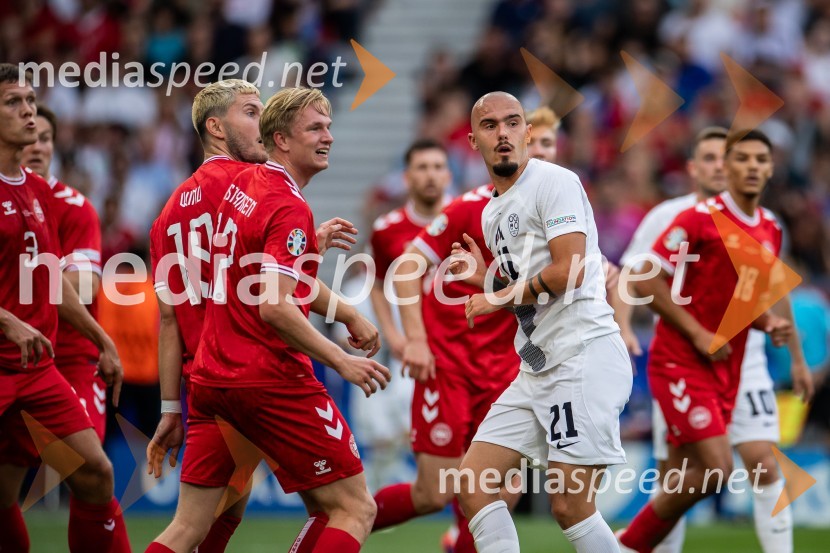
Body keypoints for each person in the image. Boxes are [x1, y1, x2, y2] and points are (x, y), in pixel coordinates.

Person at [145, 87, 391, 553]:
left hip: (208, 378)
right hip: (265, 372)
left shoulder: (192, 207)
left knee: (192, 527)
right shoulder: (259, 190)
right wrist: (341, 357)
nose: (329, 138)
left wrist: (171, 407)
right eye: (250, 113)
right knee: (352, 507)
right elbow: (273, 300)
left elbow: (184, 311)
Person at [618, 127, 814, 553]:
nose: (751, 168)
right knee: (717, 467)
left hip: (732, 365)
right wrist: (697, 332)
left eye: (760, 160)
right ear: (726, 167)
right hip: (680, 362)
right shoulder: (695, 218)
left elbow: (744, 299)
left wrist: (768, 327)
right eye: (741, 159)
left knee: (692, 474)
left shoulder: (768, 228)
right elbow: (644, 277)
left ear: (771, 168)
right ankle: (630, 545)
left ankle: (629, 546)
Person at [451, 91, 632, 553]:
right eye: (490, 126)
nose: (503, 134)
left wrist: (494, 294)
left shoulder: (554, 181)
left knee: (571, 506)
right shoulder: (492, 211)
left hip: (582, 357)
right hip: (536, 369)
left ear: (529, 133)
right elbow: (530, 290)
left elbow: (568, 271)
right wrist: (488, 277)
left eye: (513, 123)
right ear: (473, 140)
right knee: (473, 483)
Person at [0, 63, 129, 552]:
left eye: (31, 102)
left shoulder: (39, 194)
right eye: (14, 103)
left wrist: (102, 339)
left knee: (96, 472)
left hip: (39, 366)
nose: (28, 114)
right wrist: (9, 320)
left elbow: (53, 283)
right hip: (5, 354)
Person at [369, 139, 509, 553]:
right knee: (435, 491)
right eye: (422, 167)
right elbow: (380, 284)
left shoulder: (477, 213)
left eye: (437, 167)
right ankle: (345, 516)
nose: (430, 174)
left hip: (498, 366)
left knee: (500, 486)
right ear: (408, 176)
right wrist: (401, 337)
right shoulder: (388, 229)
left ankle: (461, 546)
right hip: (440, 363)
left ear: (448, 174)